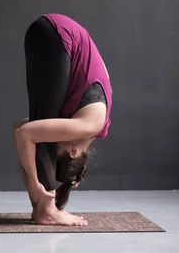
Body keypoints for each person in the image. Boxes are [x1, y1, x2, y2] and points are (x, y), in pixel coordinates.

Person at [13, 13, 112, 226]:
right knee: (39, 138)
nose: (55, 139)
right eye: (55, 149)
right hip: (58, 36)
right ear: (73, 151)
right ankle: (46, 210)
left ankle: (42, 207)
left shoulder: (84, 123)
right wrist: (32, 182)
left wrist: (33, 181)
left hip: (48, 33)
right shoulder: (89, 124)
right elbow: (26, 134)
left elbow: (21, 128)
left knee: (39, 134)